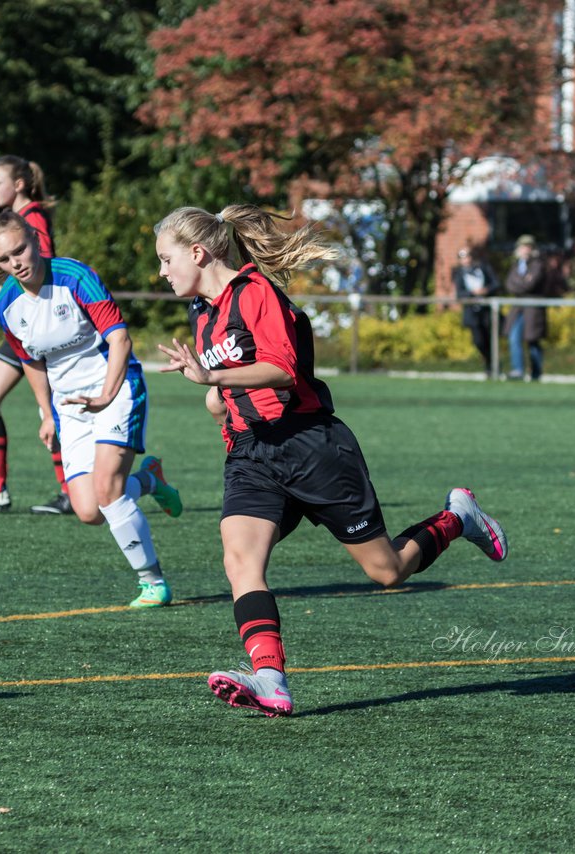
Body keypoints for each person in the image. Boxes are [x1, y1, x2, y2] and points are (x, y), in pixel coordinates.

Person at [154, 205, 510, 717]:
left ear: (197, 252)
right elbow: (229, 384)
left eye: (167, 260)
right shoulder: (203, 314)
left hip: (311, 446)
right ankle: (271, 681)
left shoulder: (256, 294)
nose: (162, 272)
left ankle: (458, 517)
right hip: (253, 454)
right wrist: (219, 408)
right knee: (240, 561)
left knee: (386, 571)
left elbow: (281, 369)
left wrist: (213, 382)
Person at [0, 209, 183, 607]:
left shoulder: (75, 278)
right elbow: (31, 361)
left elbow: (120, 339)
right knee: (89, 510)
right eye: (4, 259)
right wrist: (45, 412)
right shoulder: (7, 302)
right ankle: (150, 481)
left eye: (19, 250)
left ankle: (152, 582)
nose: (15, 263)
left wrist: (107, 395)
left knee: (107, 491)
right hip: (69, 404)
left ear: (36, 242)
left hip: (116, 385)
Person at [0, 155, 71, 515]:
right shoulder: (16, 219)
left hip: (43, 325)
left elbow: (40, 270)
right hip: (21, 331)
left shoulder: (32, 217)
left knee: (48, 408)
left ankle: (71, 490)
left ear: (18, 184)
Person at [502, 234, 548, 381]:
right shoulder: (516, 265)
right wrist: (522, 282)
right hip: (518, 308)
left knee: (533, 340)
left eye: (528, 247)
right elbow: (509, 285)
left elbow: (531, 284)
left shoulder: (537, 264)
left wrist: (519, 283)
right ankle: (518, 370)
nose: (525, 250)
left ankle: (536, 372)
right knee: (514, 337)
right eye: (523, 247)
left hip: (533, 309)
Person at [450, 244, 500, 371]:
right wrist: (473, 293)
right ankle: (489, 363)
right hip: (472, 312)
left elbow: (496, 284)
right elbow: (459, 293)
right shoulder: (459, 273)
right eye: (463, 257)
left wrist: (486, 290)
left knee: (491, 339)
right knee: (478, 341)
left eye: (468, 256)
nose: (466, 259)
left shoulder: (483, 268)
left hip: (487, 311)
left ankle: (495, 366)